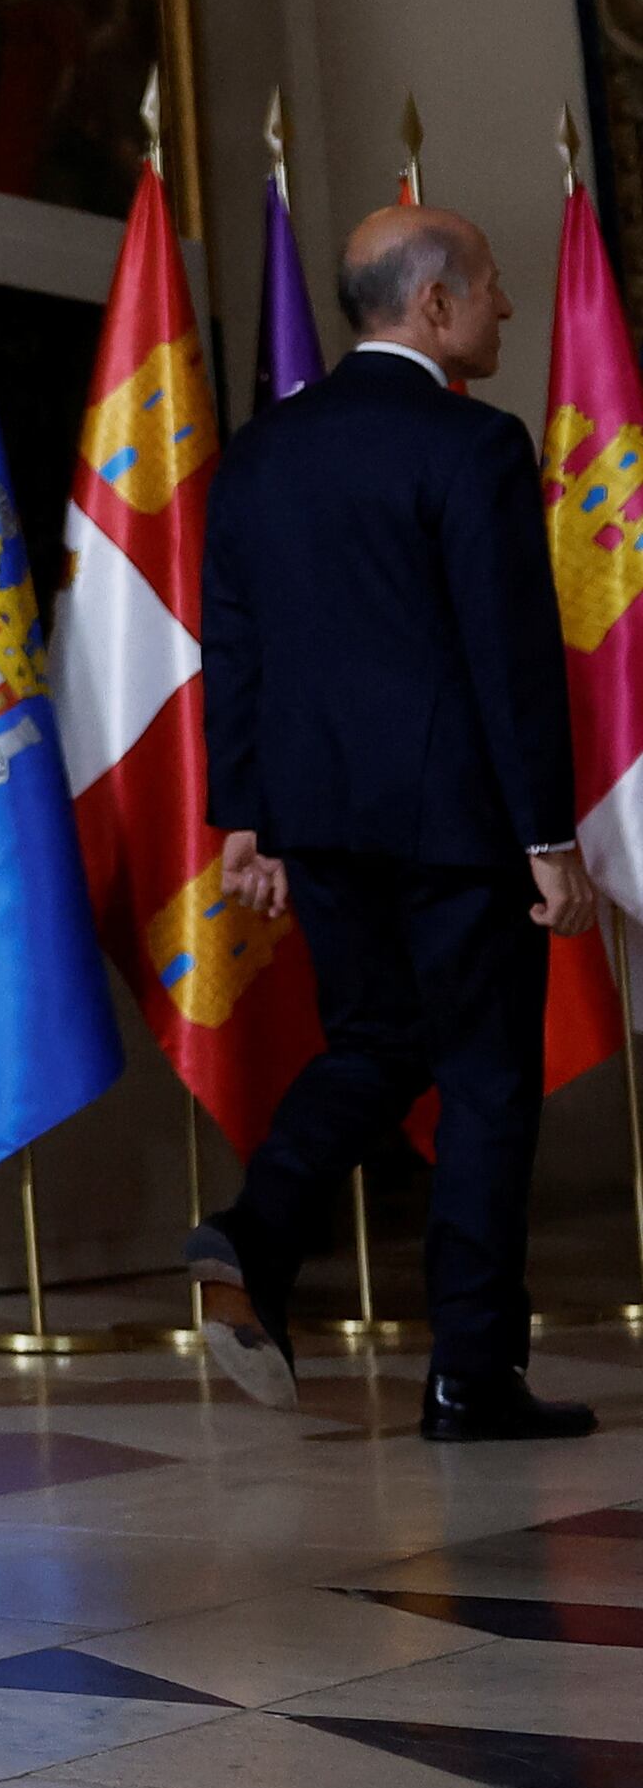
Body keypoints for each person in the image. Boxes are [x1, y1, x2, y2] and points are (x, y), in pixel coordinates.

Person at [191, 199, 605, 1441]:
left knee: (374, 1045)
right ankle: (469, 1377)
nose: (506, 306)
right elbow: (508, 656)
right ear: (430, 304)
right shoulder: (472, 445)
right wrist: (545, 838)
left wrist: (246, 817)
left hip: (317, 820)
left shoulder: (260, 450)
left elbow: (236, 645)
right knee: (483, 1085)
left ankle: (251, 1227)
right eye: (487, 284)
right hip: (457, 830)